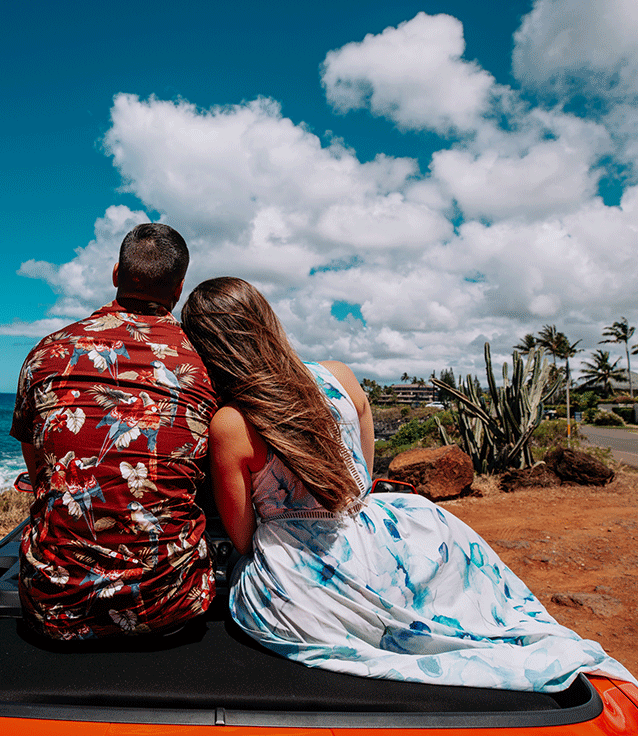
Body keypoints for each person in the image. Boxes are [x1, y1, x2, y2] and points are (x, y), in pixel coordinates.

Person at [180, 276, 636, 692]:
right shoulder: (340, 376)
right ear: (266, 322)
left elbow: (241, 536)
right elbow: (365, 470)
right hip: (375, 536)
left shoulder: (231, 423)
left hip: (300, 579)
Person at [10, 224, 217, 640]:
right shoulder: (205, 365)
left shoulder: (47, 352)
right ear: (178, 290)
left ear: (115, 274)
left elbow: (38, 472)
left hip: (55, 608)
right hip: (172, 605)